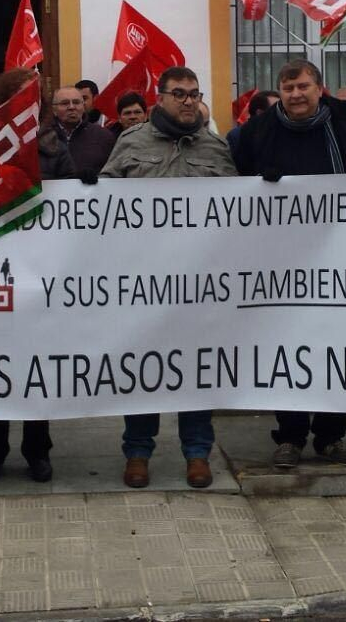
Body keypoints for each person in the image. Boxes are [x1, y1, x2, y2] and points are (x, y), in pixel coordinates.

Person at [235, 59, 346, 470]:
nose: (296, 94)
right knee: (288, 344)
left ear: (320, 88)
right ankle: (291, 436)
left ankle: (332, 437)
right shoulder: (256, 131)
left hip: (341, 256)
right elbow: (236, 180)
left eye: (302, 86)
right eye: (288, 87)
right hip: (280, 261)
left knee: (337, 345)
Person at [102, 65, 234, 489]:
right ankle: (138, 452)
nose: (188, 100)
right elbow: (104, 202)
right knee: (143, 367)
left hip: (198, 286)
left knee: (196, 367)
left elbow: (237, 210)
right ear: (159, 97)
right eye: (178, 93)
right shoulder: (131, 142)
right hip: (143, 284)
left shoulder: (215, 148)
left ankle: (197, 453)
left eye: (194, 93)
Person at [0, 67, 74, 483]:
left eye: (33, 95)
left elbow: (73, 194)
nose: (28, 101)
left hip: (41, 271)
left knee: (37, 366)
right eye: (20, 95)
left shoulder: (52, 144)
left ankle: (38, 449)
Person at [52, 86, 118, 176]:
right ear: (54, 110)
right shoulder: (42, 137)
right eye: (65, 103)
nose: (71, 107)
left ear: (83, 107)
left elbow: (114, 172)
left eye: (76, 102)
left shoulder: (104, 136)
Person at [227, 89, 280, 156]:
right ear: (260, 113)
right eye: (276, 109)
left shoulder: (284, 131)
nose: (281, 112)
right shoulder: (237, 136)